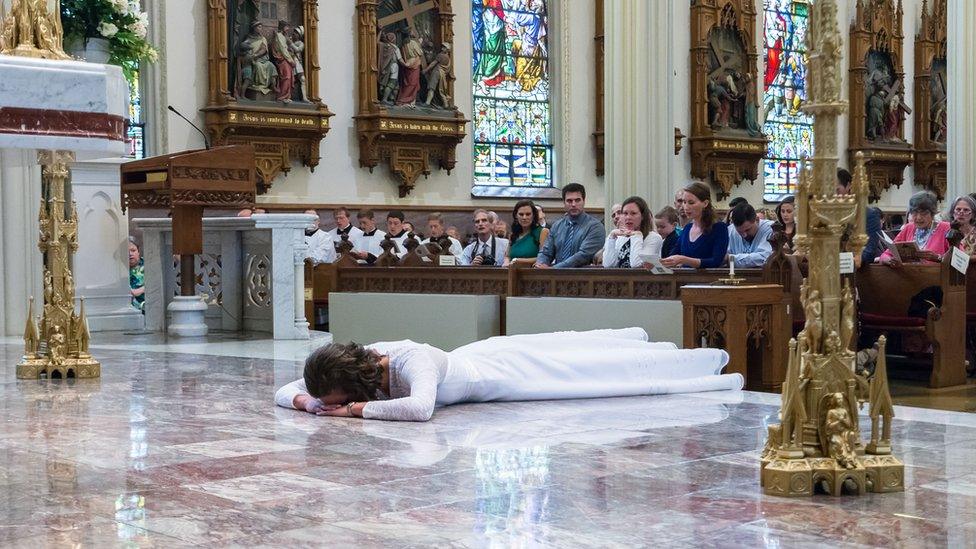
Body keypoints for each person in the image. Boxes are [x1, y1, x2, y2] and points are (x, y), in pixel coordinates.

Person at [274, 328, 742, 422]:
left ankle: (696, 365)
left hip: (503, 374)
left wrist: (351, 412)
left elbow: (421, 408)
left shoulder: (409, 359)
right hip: (482, 359)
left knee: (591, 370)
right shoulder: (352, 368)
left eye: (334, 394)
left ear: (355, 381)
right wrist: (307, 402)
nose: (330, 400)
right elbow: (285, 389)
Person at [534, 183, 604, 268]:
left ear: (584, 201)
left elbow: (583, 255)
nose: (573, 204)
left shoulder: (595, 227)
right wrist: (540, 264)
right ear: (564, 202)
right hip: (554, 278)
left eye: (577, 200)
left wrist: (553, 269)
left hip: (583, 277)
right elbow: (545, 252)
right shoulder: (557, 226)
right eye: (569, 201)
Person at [661, 181, 729, 269]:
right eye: (684, 202)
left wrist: (684, 260)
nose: (686, 207)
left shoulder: (719, 228)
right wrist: (657, 263)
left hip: (708, 280)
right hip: (684, 280)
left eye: (691, 203)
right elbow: (673, 255)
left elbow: (716, 261)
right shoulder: (687, 229)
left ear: (705, 203)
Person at [879, 191, 951, 266]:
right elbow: (885, 255)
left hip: (936, 276)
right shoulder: (908, 228)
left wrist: (937, 258)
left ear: (932, 213)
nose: (918, 217)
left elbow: (960, 262)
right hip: (908, 275)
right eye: (914, 212)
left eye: (924, 213)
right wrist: (889, 260)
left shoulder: (946, 228)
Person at [835, 168, 883, 265]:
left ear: (848, 186)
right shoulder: (826, 215)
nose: (833, 196)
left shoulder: (869, 215)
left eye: (837, 190)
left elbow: (868, 253)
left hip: (857, 273)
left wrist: (841, 262)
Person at [603, 196, 663, 268]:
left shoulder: (654, 238)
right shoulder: (620, 238)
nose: (628, 217)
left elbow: (636, 265)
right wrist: (612, 236)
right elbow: (608, 265)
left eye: (633, 213)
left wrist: (637, 236)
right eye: (625, 213)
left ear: (643, 216)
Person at [727, 203, 774, 267]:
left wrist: (731, 259)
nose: (744, 235)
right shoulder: (730, 230)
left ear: (757, 220)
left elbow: (766, 257)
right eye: (740, 232)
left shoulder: (771, 228)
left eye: (747, 230)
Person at [505, 199, 549, 265]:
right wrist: (506, 261)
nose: (524, 217)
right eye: (521, 214)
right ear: (516, 216)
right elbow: (507, 256)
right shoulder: (513, 235)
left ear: (533, 215)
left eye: (528, 214)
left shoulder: (543, 232)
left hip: (533, 273)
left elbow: (543, 258)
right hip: (512, 272)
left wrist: (517, 260)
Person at [128, 238, 145, 312]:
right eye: (126, 251)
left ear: (138, 252)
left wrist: (142, 289)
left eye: (133, 250)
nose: (130, 254)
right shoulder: (119, 269)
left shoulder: (148, 264)